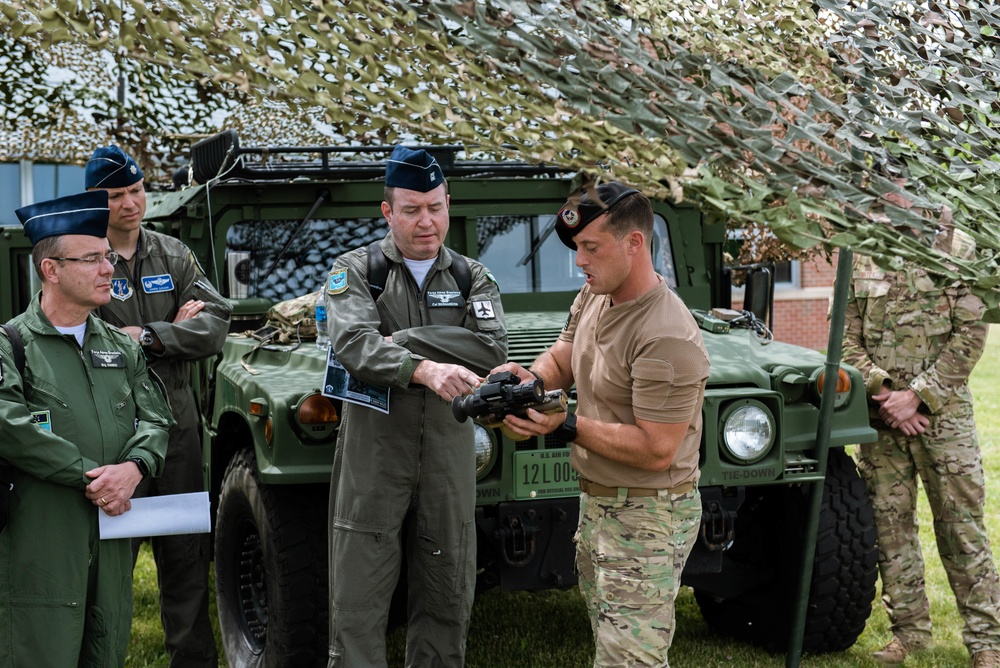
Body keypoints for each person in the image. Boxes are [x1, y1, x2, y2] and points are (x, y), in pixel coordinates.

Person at [491, 182, 710, 667]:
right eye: (576, 248)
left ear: (634, 243)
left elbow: (657, 449)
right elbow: (565, 355)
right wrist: (529, 380)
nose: (579, 261)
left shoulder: (666, 334)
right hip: (600, 504)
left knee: (630, 661)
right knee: (612, 648)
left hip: (650, 516)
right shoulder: (596, 295)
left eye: (591, 248)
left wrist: (563, 426)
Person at [324, 145, 507, 667]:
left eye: (435, 206)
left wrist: (396, 341)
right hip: (375, 453)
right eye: (411, 209)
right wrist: (425, 367)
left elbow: (492, 348)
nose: (426, 222)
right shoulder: (357, 270)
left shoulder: (474, 277)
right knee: (359, 599)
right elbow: (354, 345)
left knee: (447, 595)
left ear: (449, 203)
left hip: (449, 455)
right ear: (387, 211)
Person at [0, 190, 173, 666]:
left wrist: (135, 468)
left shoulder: (122, 345)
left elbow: (157, 417)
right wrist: (96, 478)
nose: (108, 269)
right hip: (42, 536)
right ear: (51, 270)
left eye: (108, 257)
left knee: (106, 646)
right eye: (92, 259)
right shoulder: (10, 346)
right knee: (41, 647)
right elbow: (11, 428)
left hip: (111, 536)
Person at [86, 145, 232, 668]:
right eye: (117, 195)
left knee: (185, 563)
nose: (130, 203)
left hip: (176, 434)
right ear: (96, 201)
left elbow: (215, 323)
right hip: (111, 437)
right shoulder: (84, 258)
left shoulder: (173, 254)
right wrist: (177, 328)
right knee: (108, 567)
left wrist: (145, 335)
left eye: (136, 190)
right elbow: (85, 341)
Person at [841, 222, 1000, 667]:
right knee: (889, 530)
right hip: (883, 418)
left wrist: (918, 397)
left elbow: (972, 333)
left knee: (961, 530)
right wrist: (886, 390)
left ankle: (987, 642)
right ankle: (909, 633)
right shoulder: (860, 246)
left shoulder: (961, 245)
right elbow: (846, 336)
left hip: (943, 419)